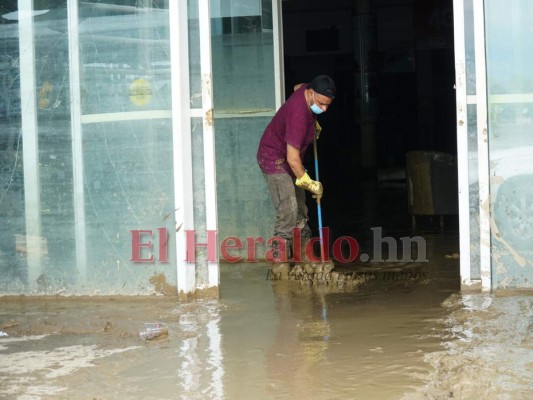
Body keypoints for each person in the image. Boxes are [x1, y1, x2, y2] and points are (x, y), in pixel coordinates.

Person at [257, 74, 336, 275]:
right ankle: (279, 264)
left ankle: (304, 256)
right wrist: (310, 184)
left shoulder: (306, 90)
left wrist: (313, 123)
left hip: (290, 159)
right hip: (274, 158)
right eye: (321, 104)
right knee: (288, 209)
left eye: (327, 105)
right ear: (311, 94)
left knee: (301, 208)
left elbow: (296, 86)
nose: (324, 109)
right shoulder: (298, 116)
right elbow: (292, 159)